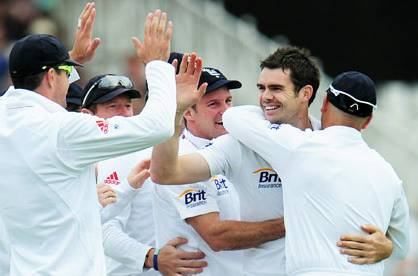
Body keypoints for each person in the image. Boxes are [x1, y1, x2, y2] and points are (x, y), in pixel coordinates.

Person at [0, 7, 202, 276]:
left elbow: (20, 90)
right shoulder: (63, 130)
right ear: (51, 76)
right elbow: (158, 126)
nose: (71, 83)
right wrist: (156, 64)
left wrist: (67, 59)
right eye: (66, 72)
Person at [151, 46, 395, 275]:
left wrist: (388, 245)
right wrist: (175, 111)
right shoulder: (240, 141)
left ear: (305, 93)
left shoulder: (330, 143)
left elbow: (370, 207)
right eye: (261, 88)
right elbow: (166, 174)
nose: (265, 97)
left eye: (276, 88)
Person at [222, 71, 410, 275]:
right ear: (367, 121)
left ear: (324, 104)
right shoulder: (388, 174)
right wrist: (388, 247)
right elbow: (401, 249)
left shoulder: (300, 146)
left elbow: (233, 117)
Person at [152, 53, 285, 276]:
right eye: (213, 104)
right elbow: (217, 236)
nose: (226, 111)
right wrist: (293, 224)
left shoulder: (241, 145)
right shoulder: (181, 158)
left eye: (228, 101)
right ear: (189, 112)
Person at [82, 66, 208, 275]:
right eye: (113, 107)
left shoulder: (147, 148)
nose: (125, 115)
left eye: (128, 106)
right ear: (88, 115)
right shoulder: (118, 153)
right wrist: (153, 257)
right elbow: (104, 231)